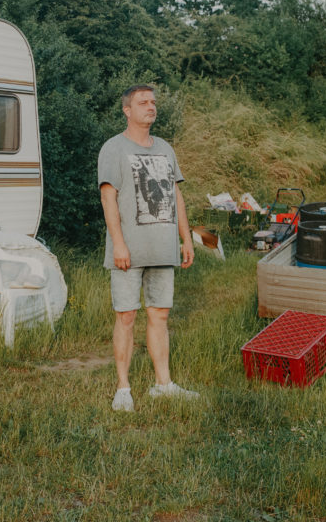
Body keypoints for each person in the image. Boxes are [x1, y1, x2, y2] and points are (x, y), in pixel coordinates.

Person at [98, 84, 198, 412]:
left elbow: (176, 195)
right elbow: (108, 198)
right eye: (143, 102)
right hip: (129, 249)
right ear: (128, 110)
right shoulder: (114, 148)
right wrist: (119, 244)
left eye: (153, 102)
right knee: (126, 316)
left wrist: (185, 238)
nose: (151, 107)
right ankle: (123, 389)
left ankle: (163, 385)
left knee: (160, 314)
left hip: (162, 246)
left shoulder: (165, 149)